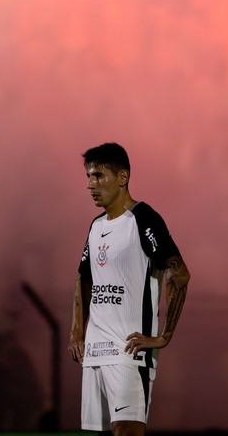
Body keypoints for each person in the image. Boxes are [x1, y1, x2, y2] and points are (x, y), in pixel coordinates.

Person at [68, 143, 191, 436]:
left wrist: (164, 336)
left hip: (128, 351)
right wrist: (77, 331)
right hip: (95, 353)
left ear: (122, 177)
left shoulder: (143, 217)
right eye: (88, 176)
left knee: (127, 432)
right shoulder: (96, 226)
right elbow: (83, 276)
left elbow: (180, 273)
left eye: (98, 176)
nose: (90, 185)